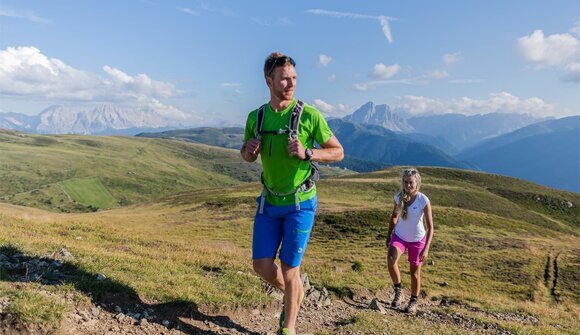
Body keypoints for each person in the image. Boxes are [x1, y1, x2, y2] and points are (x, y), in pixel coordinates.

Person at [241, 52, 344, 335]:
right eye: (284, 78)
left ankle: (288, 328)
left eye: (294, 78)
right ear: (269, 80)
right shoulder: (256, 117)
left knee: (289, 268)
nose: (291, 83)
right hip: (269, 202)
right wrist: (248, 153)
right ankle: (295, 294)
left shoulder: (310, 115)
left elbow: (338, 152)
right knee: (261, 265)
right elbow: (246, 155)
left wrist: (308, 152)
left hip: (301, 203)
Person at [385, 168, 434, 314]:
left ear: (417, 182)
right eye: (405, 182)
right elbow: (394, 217)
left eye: (411, 182)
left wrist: (426, 249)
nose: (408, 185)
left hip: (417, 240)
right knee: (391, 259)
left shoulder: (423, 200)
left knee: (414, 273)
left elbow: (430, 227)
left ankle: (413, 301)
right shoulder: (398, 197)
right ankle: (398, 291)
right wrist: (388, 235)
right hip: (399, 236)